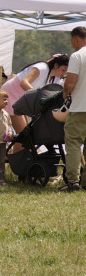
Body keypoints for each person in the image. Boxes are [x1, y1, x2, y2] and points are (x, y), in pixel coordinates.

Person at [3, 54, 69, 133]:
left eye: (66, 71)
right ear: (56, 65)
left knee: (27, 135)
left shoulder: (56, 79)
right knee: (23, 133)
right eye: (63, 70)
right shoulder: (42, 68)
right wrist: (39, 95)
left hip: (24, 101)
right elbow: (24, 83)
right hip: (11, 94)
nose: (64, 73)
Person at [61, 26, 86, 192]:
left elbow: (70, 81)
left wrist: (65, 93)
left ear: (76, 38)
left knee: (73, 142)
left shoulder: (78, 56)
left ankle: (73, 181)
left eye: (72, 41)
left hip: (80, 107)